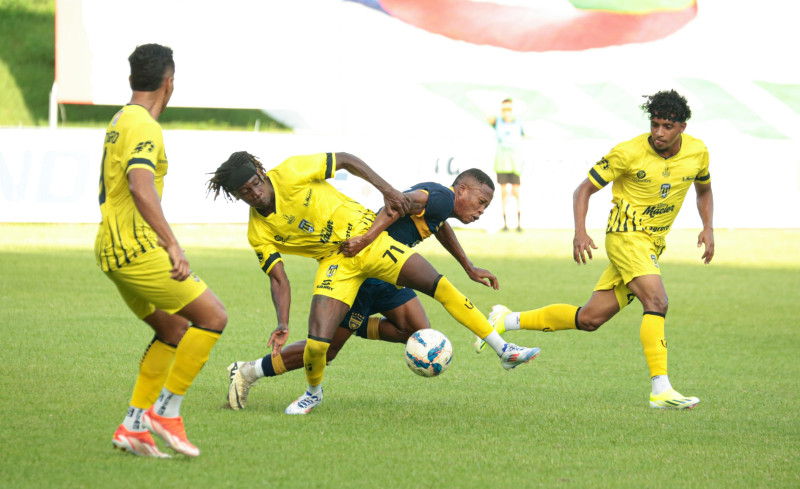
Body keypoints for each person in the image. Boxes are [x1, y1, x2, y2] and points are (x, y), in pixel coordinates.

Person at [207, 152, 540, 414]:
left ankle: (503, 349)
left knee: (433, 300)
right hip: (344, 263)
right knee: (321, 349)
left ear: (262, 173)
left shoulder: (292, 171)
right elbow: (278, 279)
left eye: (256, 184)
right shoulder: (258, 232)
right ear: (238, 195)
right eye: (245, 192)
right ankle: (299, 388)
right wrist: (282, 321)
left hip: (374, 247)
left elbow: (349, 161)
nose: (255, 193)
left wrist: (466, 265)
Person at [476, 90, 714, 410]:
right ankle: (661, 388)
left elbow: (704, 190)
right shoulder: (628, 152)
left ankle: (507, 319)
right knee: (657, 300)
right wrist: (580, 232)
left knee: (590, 318)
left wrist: (708, 226)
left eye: (667, 126)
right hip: (626, 237)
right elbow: (584, 189)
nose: (658, 132)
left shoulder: (698, 152)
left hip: (653, 243)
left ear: (682, 127)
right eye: (654, 124)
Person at [96, 44, 227, 457]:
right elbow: (139, 184)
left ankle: (134, 426)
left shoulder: (121, 118)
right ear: (169, 84)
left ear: (133, 80)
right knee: (212, 316)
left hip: (112, 247)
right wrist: (172, 244)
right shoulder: (145, 127)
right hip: (135, 248)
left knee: (173, 328)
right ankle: (165, 412)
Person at [487, 98, 524, 232]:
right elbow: (488, 117)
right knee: (503, 192)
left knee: (516, 191)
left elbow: (523, 138)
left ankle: (519, 223)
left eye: (509, 109)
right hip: (502, 162)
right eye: (505, 109)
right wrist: (499, 110)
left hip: (514, 162)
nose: (507, 112)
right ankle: (505, 224)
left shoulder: (518, 123)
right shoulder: (498, 122)